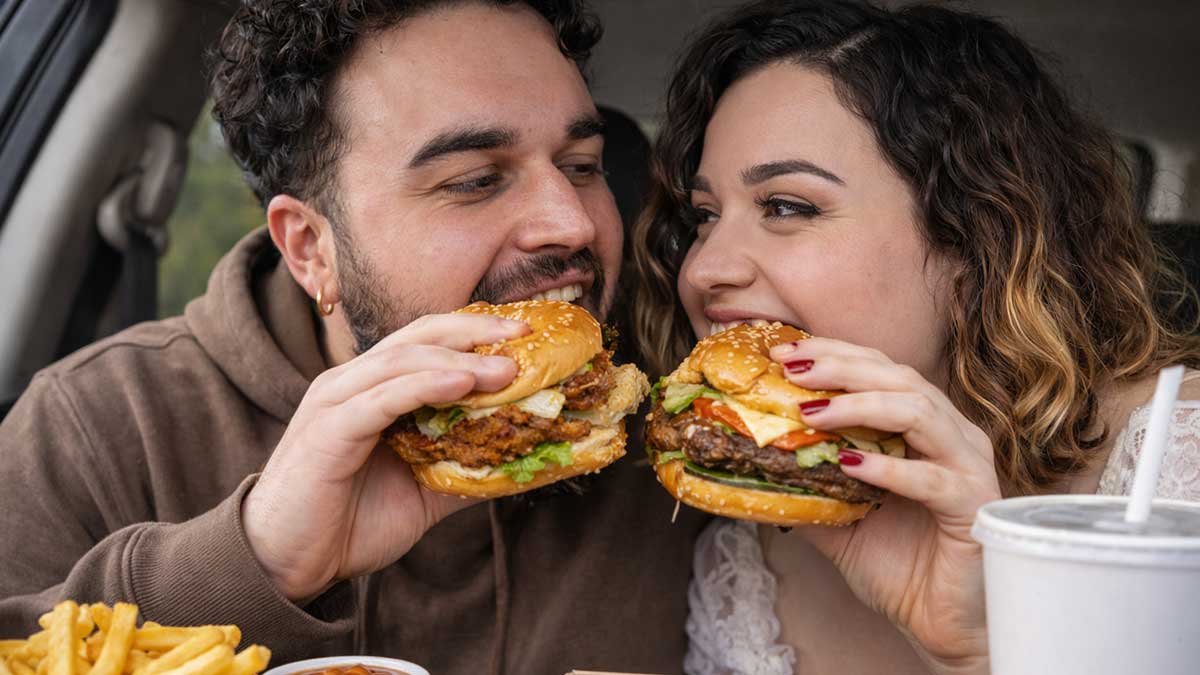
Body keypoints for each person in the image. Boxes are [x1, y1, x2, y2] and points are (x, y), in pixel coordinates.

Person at [0, 1, 707, 672]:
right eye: (475, 180)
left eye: (582, 165)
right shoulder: (94, 425)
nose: (573, 222)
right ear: (310, 248)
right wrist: (255, 560)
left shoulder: (690, 428)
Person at [631, 1, 1200, 673]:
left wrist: (977, 655)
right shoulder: (744, 543)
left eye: (787, 206)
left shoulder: (1178, 474)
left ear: (974, 237)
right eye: (704, 215)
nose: (702, 269)